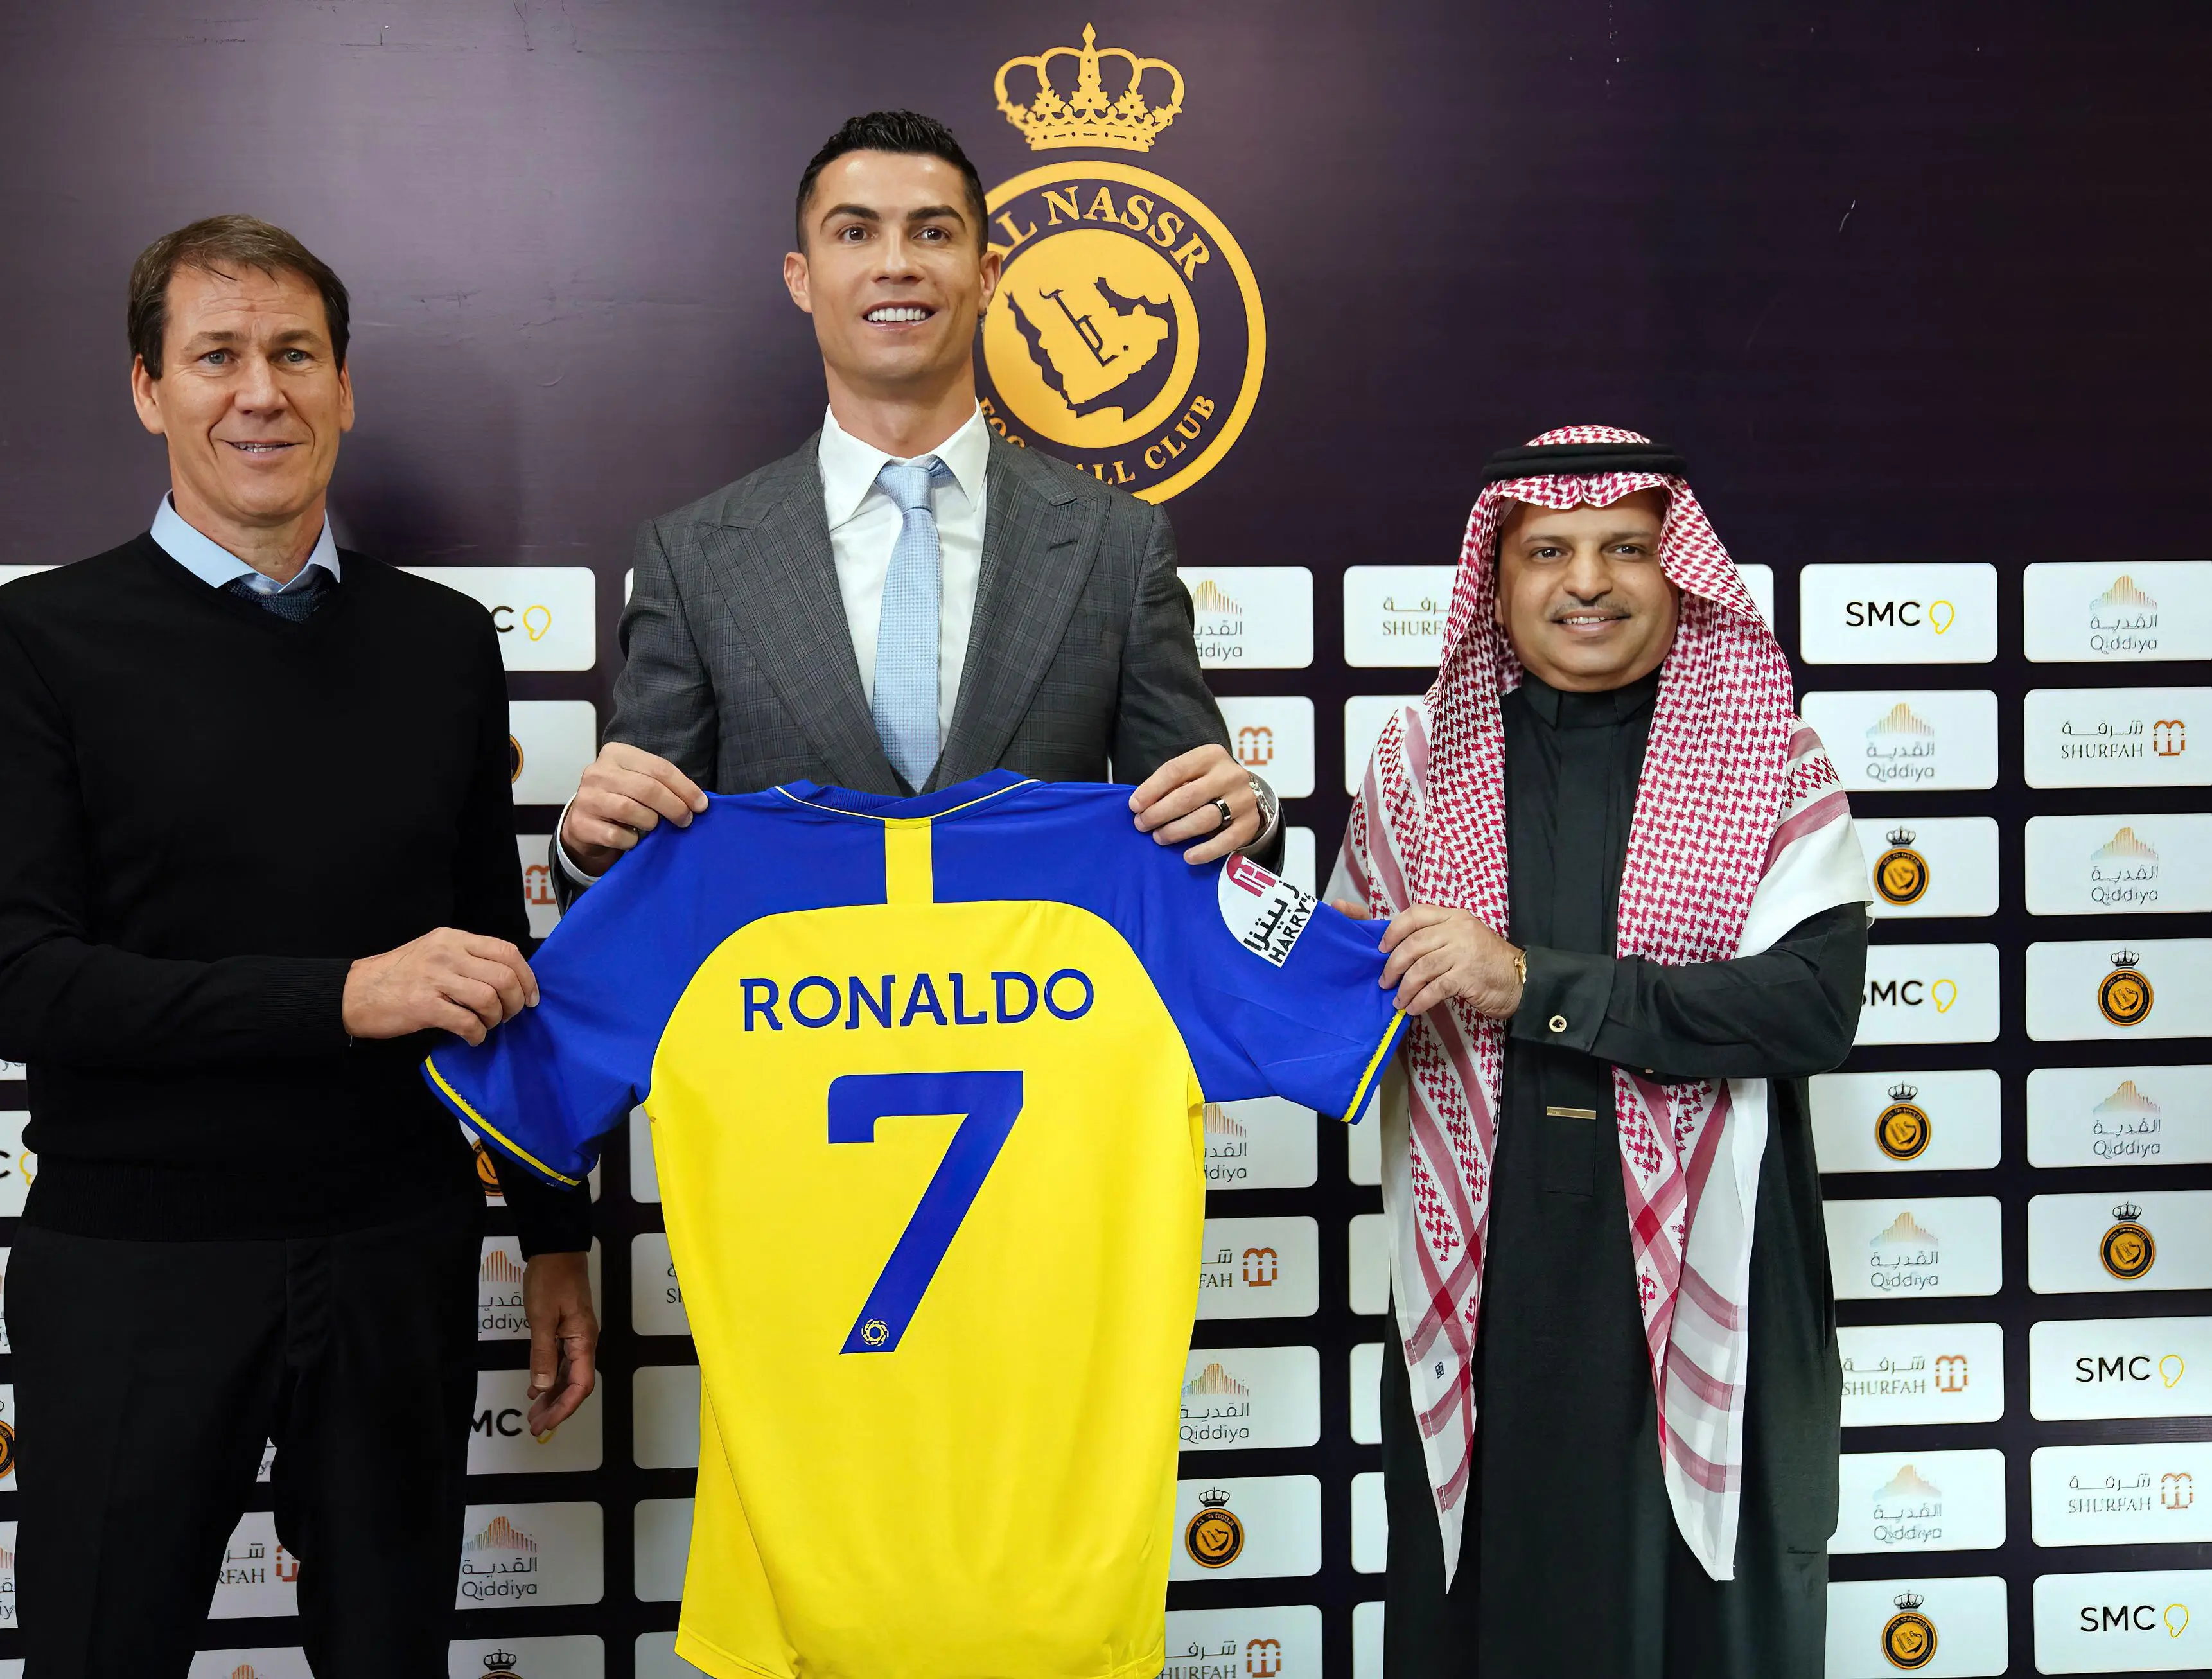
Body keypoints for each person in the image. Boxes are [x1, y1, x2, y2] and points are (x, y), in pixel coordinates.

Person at [0, 215, 595, 1676]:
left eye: (295, 353)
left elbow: (497, 964)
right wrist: (348, 996)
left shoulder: (440, 644)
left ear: (345, 387)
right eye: (216, 354)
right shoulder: (31, 642)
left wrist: (556, 1235)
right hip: (134, 1266)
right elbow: (24, 985)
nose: (260, 392)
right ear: (146, 387)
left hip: (396, 1252)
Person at [1331, 426, 1870, 1677]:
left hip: (1718, 1270)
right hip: (1488, 1267)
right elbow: (1341, 1001)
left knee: (1706, 1620)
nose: (1587, 581)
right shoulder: (1415, 771)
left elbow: (1807, 1008)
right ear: (1498, 578)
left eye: (1625, 547)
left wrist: (1523, 980)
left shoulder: (1770, 758)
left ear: (1676, 571)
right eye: (1548, 552)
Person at [552, 109, 1280, 909]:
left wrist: (1244, 814)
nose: (896, 265)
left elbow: (1200, 831)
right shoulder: (693, 557)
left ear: (989, 274)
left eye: (932, 233)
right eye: (855, 234)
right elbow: (632, 872)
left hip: (1048, 1018)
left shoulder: (1117, 541)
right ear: (800, 278)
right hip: (784, 1023)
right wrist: (588, 846)